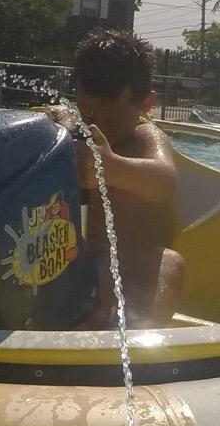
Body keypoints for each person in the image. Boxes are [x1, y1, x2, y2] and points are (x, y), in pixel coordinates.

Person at [57, 27, 186, 328]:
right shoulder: (69, 127)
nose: (98, 127)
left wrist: (110, 167)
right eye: (89, 116)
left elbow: (164, 180)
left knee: (169, 262)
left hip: (127, 281)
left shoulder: (144, 137)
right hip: (65, 271)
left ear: (146, 104)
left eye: (112, 121)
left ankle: (134, 354)